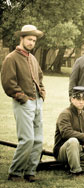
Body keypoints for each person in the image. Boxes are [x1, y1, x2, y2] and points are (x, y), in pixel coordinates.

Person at [1, 25, 45, 182]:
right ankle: (15, 173)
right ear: (21, 38)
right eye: (29, 39)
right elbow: (8, 83)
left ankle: (30, 171)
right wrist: (23, 98)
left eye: (34, 40)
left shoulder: (32, 58)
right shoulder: (11, 58)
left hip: (37, 103)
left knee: (38, 140)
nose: (32, 42)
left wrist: (42, 94)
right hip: (23, 104)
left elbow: (39, 76)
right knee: (27, 139)